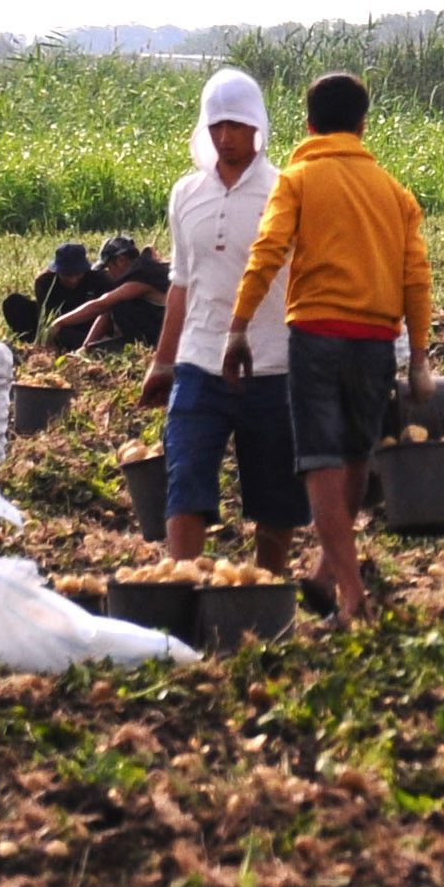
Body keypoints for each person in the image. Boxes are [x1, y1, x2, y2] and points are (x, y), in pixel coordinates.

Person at [225, 71, 433, 624]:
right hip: (375, 342)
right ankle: (323, 574)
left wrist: (239, 325)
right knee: (356, 458)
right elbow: (416, 278)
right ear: (363, 125)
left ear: (309, 123)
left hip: (316, 336)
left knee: (319, 464)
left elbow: (268, 251)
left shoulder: (297, 180)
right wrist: (420, 356)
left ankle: (351, 595)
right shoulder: (395, 193)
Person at [140, 68, 308, 573]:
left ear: (258, 125)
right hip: (199, 363)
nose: (226, 138)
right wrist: (163, 362)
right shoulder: (186, 194)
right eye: (216, 126)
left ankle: (264, 593)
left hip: (272, 365)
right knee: (185, 476)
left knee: (274, 493)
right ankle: (181, 585)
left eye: (236, 125)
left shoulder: (286, 192)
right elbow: (182, 283)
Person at [45, 233, 169, 350]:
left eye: (109, 267)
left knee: (120, 307)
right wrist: (86, 347)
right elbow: (106, 311)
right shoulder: (148, 267)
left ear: (121, 260)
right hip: (165, 327)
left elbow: (100, 305)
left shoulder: (142, 276)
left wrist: (59, 322)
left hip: (166, 330)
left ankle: (140, 347)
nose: (108, 273)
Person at [2, 242, 110, 345]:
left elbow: (104, 311)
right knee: (13, 303)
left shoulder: (98, 278)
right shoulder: (45, 281)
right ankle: (33, 342)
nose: (73, 279)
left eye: (77, 274)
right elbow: (45, 316)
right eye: (67, 275)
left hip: (85, 326)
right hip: (55, 324)